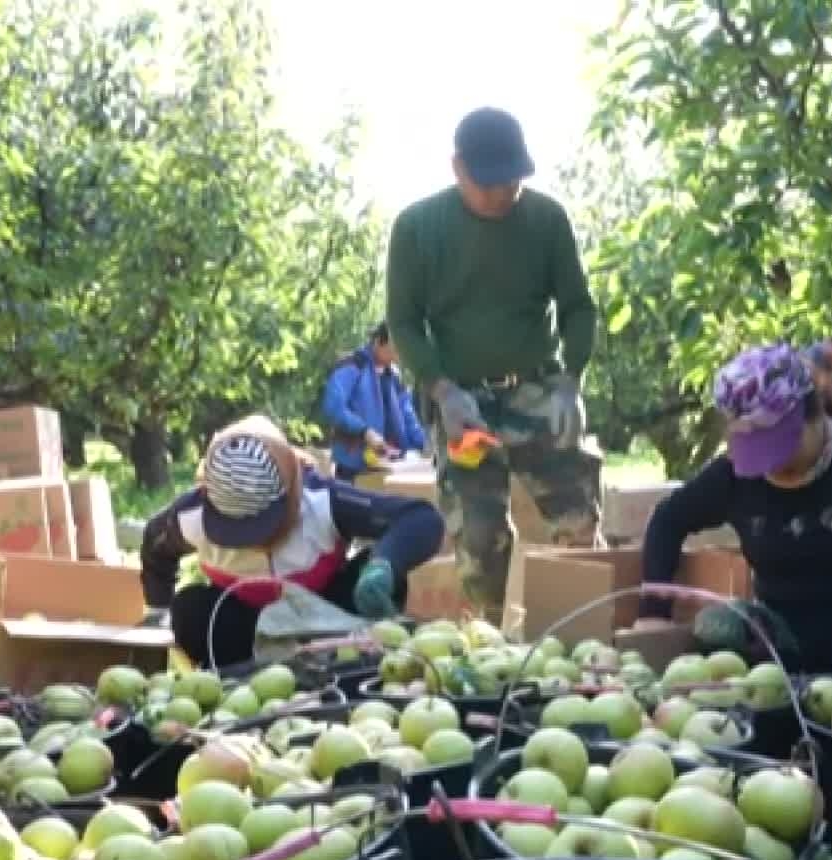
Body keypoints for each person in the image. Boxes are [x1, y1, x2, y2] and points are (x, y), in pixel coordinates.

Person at [386, 105, 602, 622]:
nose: (504, 192)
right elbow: (405, 321)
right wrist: (442, 391)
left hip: (537, 391)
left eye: (514, 180)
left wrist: (572, 380)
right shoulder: (418, 228)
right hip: (464, 404)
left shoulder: (546, 219)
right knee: (478, 539)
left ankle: (588, 634)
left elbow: (577, 306)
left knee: (575, 523)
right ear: (458, 169)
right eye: (490, 183)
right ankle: (496, 645)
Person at [631, 343, 832, 689]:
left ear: (813, 416)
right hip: (789, 637)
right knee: (717, 625)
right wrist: (653, 614)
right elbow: (667, 519)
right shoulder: (735, 478)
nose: (775, 467)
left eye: (782, 450)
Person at [138, 415, 443, 668]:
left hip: (326, 619)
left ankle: (353, 667)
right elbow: (156, 547)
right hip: (246, 626)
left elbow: (419, 518)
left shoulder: (324, 501)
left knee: (382, 574)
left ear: (291, 492)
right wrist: (157, 610)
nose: (254, 542)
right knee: (190, 610)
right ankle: (237, 676)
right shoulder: (189, 518)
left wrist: (384, 563)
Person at [321, 322, 427, 482]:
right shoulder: (353, 365)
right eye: (395, 348)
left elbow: (408, 417)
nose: (399, 355)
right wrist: (365, 431)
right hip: (353, 465)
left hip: (390, 466)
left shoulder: (394, 377)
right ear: (378, 342)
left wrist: (425, 445)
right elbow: (333, 407)